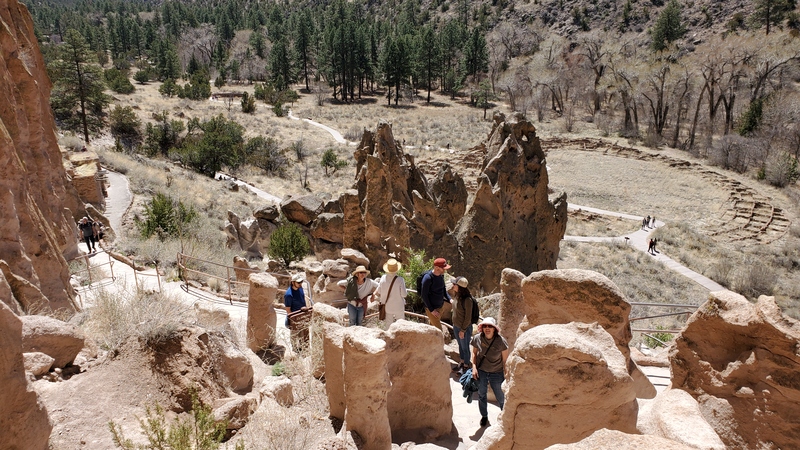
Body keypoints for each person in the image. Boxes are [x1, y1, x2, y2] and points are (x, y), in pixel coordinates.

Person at [471, 317, 509, 428]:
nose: (487, 328)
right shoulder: (477, 338)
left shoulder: (501, 342)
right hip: (482, 371)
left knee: (501, 397)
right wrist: (474, 367)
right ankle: (484, 416)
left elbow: (505, 360)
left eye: (490, 326)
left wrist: (506, 375)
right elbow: (474, 353)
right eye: (485, 326)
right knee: (482, 395)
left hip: (496, 373)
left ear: (494, 329)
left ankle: (505, 417)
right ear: (482, 328)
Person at [375, 258, 407, 330]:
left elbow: (379, 291)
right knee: (400, 324)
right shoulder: (400, 280)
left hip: (387, 306)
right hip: (398, 306)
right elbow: (404, 294)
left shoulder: (383, 278)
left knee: (388, 325)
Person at [421, 258, 452, 333]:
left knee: (432, 329)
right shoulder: (428, 278)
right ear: (437, 268)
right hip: (432, 309)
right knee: (439, 332)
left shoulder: (441, 276)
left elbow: (443, 289)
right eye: (443, 268)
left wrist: (449, 299)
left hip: (440, 307)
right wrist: (432, 310)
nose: (445, 270)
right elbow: (424, 295)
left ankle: (428, 343)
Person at [451, 276, 474, 374]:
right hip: (456, 326)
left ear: (459, 286)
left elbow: (468, 317)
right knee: (460, 345)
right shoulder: (458, 296)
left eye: (454, 284)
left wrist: (463, 330)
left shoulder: (467, 300)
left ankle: (466, 366)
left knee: (465, 348)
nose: (453, 286)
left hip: (464, 328)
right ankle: (461, 362)